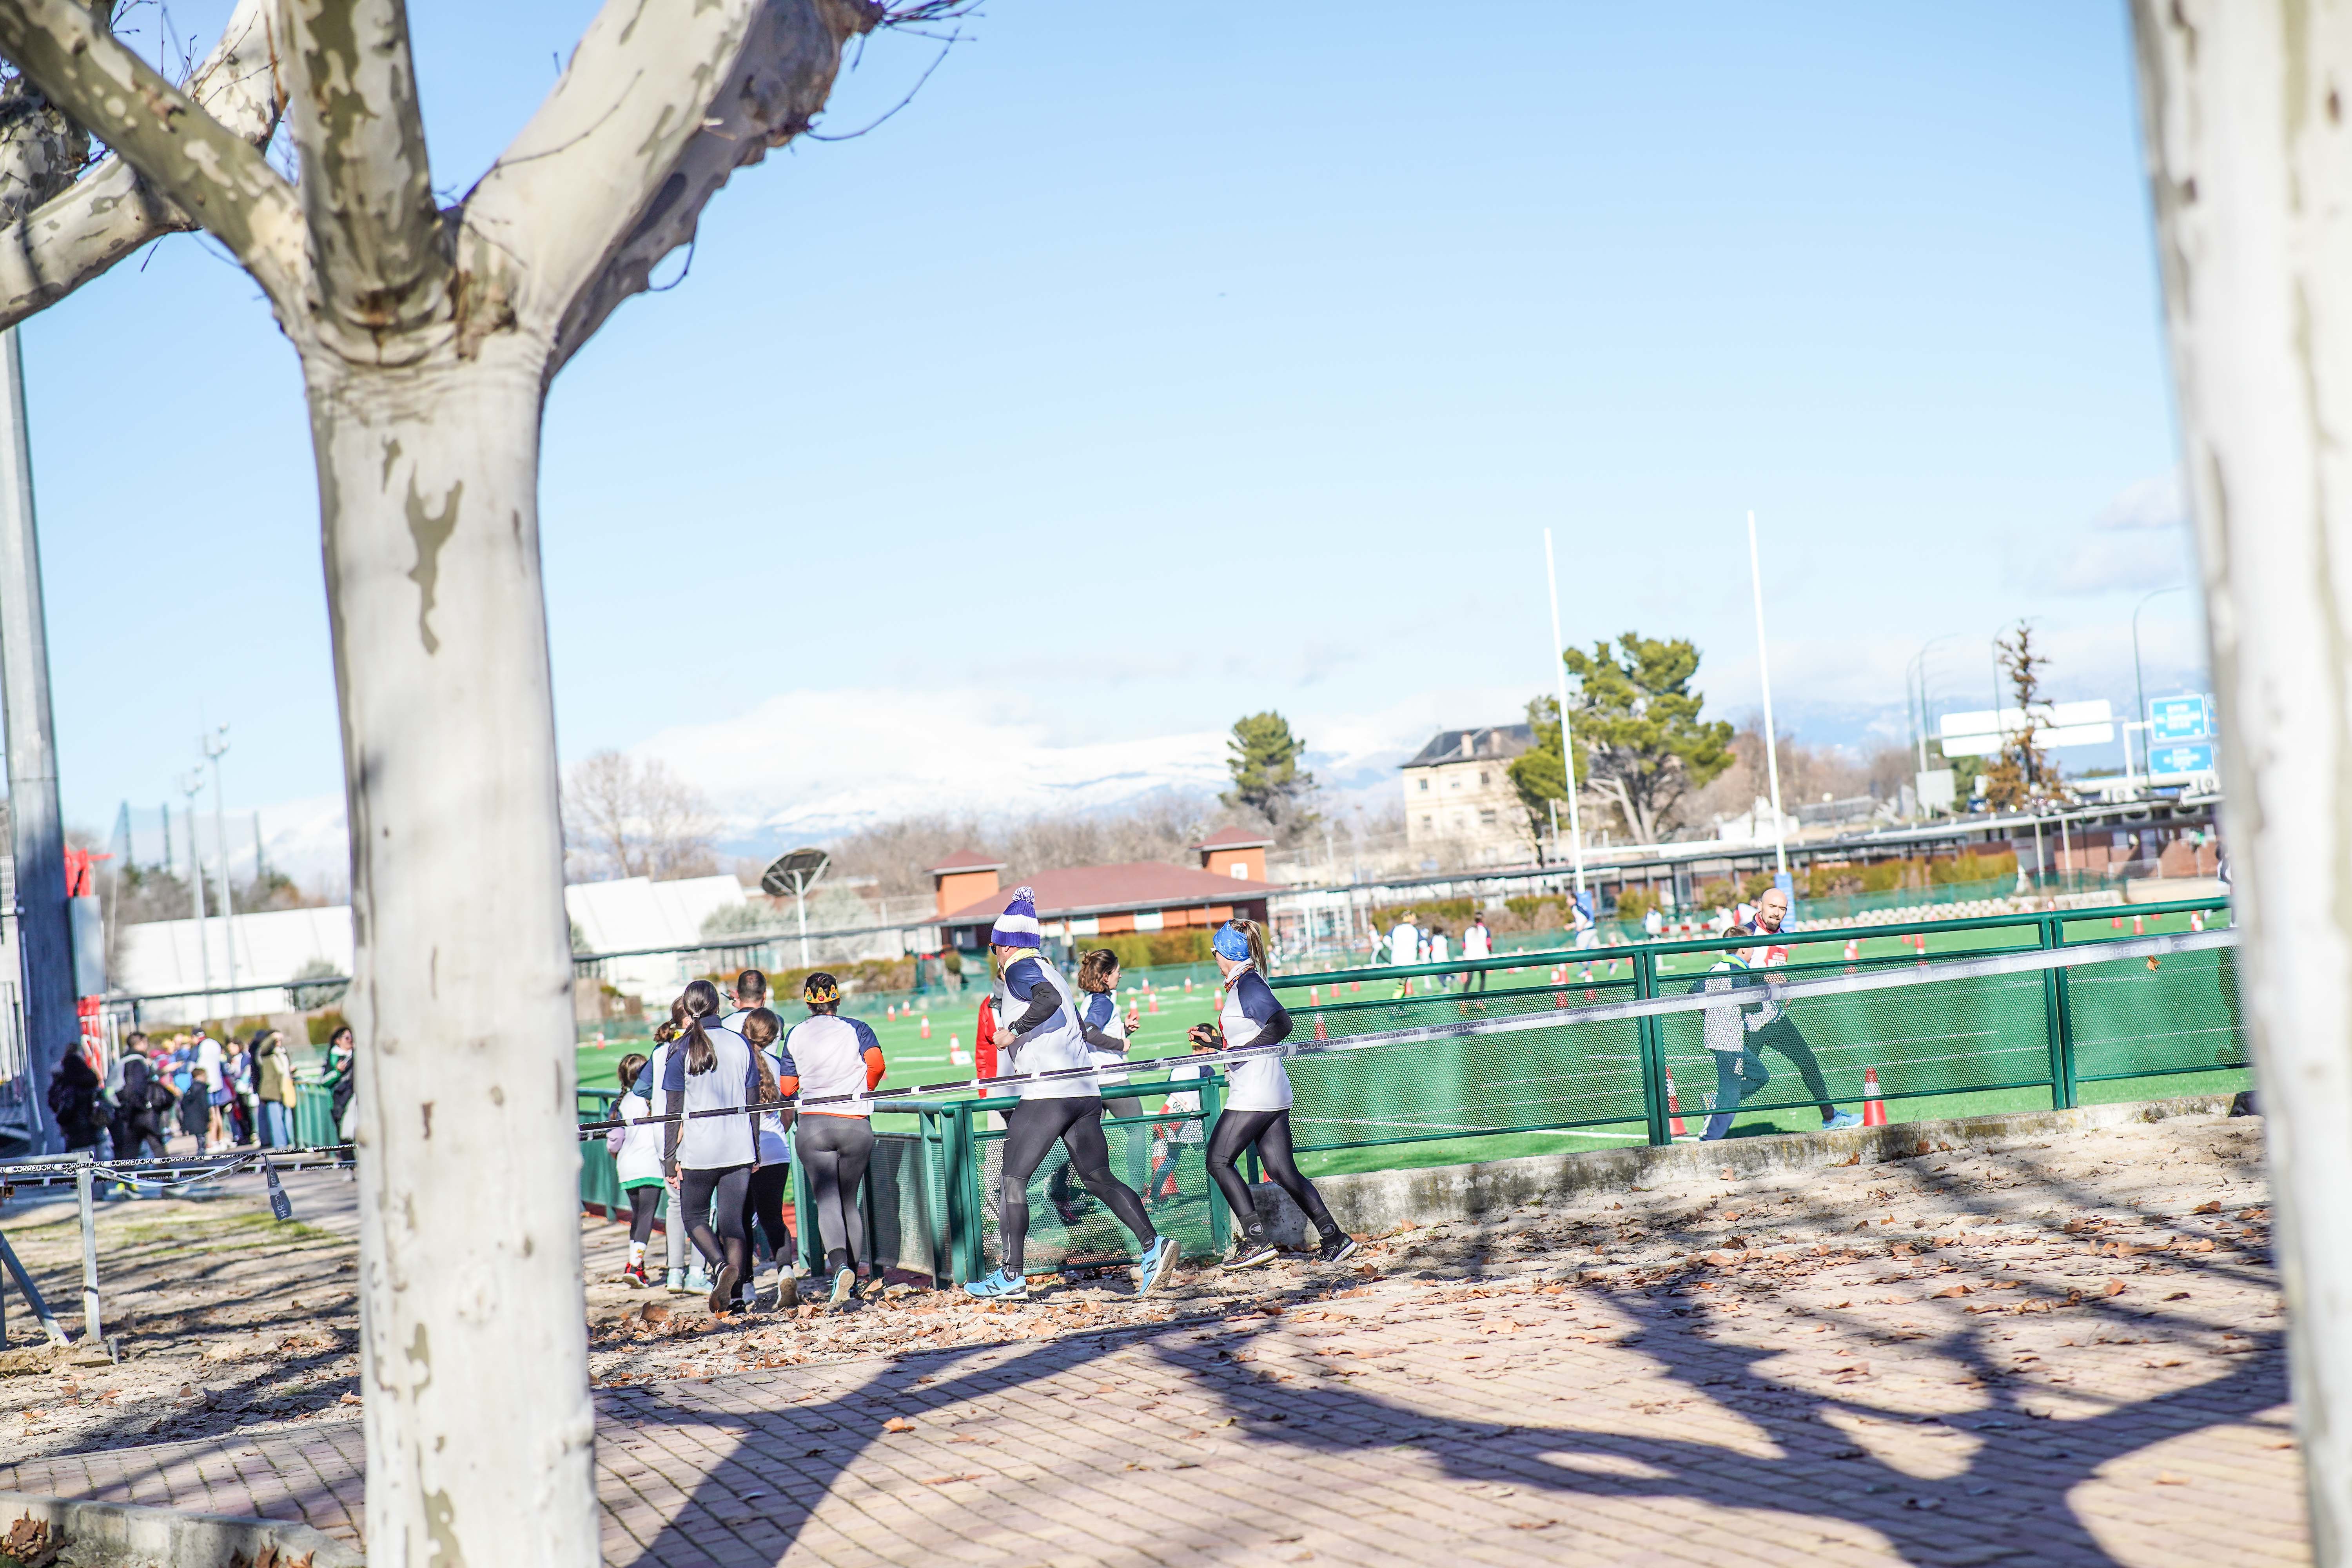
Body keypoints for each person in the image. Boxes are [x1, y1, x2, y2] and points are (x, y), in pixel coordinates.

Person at [964, 887, 1176, 1301]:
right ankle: (1153, 1246)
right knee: (1098, 1177)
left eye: (994, 947)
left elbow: (1045, 999)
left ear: (1006, 944)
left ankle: (1011, 1276)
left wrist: (1014, 1031)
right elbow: (1078, 1026)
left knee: (1012, 1180)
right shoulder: (1052, 970)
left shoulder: (1022, 969)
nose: (995, 955)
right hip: (1084, 1092)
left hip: (1049, 1092)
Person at [1195, 919, 1356, 1267]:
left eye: (1215, 951)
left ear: (1226, 953)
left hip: (1255, 1091)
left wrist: (1245, 1051)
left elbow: (1282, 1024)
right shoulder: (1244, 983)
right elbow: (1249, 1035)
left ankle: (1255, 1241)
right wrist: (1219, 1046)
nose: (1214, 958)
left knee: (1219, 1161)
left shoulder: (1248, 983)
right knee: (1282, 1170)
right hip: (1270, 1089)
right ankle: (1334, 1238)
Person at [779, 976, 885, 1310]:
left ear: (808, 1002)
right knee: (848, 1202)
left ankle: (839, 1268)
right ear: (837, 1000)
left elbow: (786, 1087)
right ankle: (852, 1281)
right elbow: (878, 1066)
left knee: (827, 1203)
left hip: (813, 1126)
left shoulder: (795, 1033)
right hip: (854, 1123)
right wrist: (860, 1091)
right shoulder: (858, 1028)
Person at [660, 979, 765, 1314]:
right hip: (739, 1147)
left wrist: (668, 1158)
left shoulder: (679, 1050)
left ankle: (720, 1268)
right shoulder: (740, 1044)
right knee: (734, 1223)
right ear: (718, 1006)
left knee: (693, 1217)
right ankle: (734, 1299)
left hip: (700, 1151)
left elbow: (671, 1111)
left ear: (688, 1009)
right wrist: (756, 1150)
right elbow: (754, 1105)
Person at [1742, 887, 1860, 1131]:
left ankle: (1830, 1118)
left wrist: (1781, 988)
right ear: (1761, 907)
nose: (1777, 913)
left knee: (1807, 1061)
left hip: (1775, 1018)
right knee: (1749, 1078)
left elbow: (1776, 972)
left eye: (1782, 909)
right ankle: (1714, 1106)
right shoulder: (1747, 934)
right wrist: (1765, 981)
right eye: (1772, 907)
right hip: (1750, 1022)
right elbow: (1736, 975)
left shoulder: (1782, 934)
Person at [1049, 948, 1148, 1214]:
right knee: (1138, 1130)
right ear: (1106, 976)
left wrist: (1123, 1029)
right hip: (1112, 1079)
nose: (1120, 976)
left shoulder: (1090, 1000)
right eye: (1116, 972)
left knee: (1085, 1142)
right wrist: (1122, 1043)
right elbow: (1091, 1033)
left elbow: (1091, 1032)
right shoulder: (1104, 1001)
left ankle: (1060, 1190)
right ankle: (1141, 1192)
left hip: (1091, 1081)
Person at [635, 1001, 703, 1295]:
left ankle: (675, 1272)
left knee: (676, 1205)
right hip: (689, 1135)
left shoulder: (660, 1052)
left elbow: (640, 1089)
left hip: (662, 1135)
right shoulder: (694, 1051)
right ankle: (698, 1272)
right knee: (702, 1207)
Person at [736, 1008, 795, 1305]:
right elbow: (789, 1110)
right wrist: (778, 1135)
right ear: (773, 1036)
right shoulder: (777, 1063)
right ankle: (786, 1273)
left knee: (743, 1221)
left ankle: (747, 1289)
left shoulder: (736, 1061)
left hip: (745, 1151)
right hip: (776, 1149)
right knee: (774, 1218)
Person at [606, 1053, 666, 1288]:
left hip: (627, 1166)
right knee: (646, 1217)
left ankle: (637, 1267)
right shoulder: (653, 1100)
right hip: (651, 1164)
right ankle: (634, 1265)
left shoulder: (619, 1104)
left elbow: (614, 1140)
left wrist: (617, 1155)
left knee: (637, 1216)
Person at [115, 1036, 168, 1161]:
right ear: (141, 1043)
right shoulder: (137, 1062)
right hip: (142, 1112)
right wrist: (145, 1106)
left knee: (130, 1151)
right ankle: (166, 1178)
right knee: (157, 1147)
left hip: (131, 1112)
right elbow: (136, 1087)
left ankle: (125, 1179)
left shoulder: (125, 1060)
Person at [47, 1049, 103, 1151]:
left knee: (77, 1163)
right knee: (96, 1163)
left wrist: (60, 1118)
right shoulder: (91, 1082)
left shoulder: (69, 1087)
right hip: (95, 1129)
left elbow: (66, 1110)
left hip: (75, 1132)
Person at [252, 1030, 299, 1148]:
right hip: (272, 1090)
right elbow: (264, 1047)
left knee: (287, 1117)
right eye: (276, 1041)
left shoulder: (282, 1053)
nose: (278, 1042)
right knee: (275, 1119)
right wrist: (273, 1037)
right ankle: (280, 1144)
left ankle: (291, 1141)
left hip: (285, 1088)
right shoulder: (266, 1054)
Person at [321, 1026, 358, 1143]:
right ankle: (348, 1161)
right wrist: (337, 1072)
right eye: (347, 1038)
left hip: (358, 1101)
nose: (350, 1040)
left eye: (352, 1037)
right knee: (345, 1139)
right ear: (338, 1041)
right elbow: (324, 1081)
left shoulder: (358, 1055)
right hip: (340, 1103)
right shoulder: (334, 1057)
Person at [178, 1065, 214, 1154]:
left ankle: (201, 1153)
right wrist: (209, 1118)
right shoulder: (202, 1088)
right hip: (200, 1117)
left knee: (200, 1137)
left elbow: (183, 1103)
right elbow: (204, 1104)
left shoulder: (190, 1089)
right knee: (202, 1137)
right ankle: (202, 1154)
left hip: (193, 1117)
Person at [1387, 911, 1420, 1000]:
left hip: (1397, 960)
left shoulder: (1396, 928)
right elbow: (1424, 944)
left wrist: (1393, 948)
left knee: (1403, 984)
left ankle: (1399, 1006)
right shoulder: (1414, 930)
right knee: (1401, 985)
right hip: (1408, 961)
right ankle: (1395, 1006)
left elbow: (1386, 940)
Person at [1461, 914, 1492, 997]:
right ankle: (1480, 999)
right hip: (1482, 957)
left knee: (1469, 980)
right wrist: (1490, 952)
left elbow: (1464, 945)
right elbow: (1489, 943)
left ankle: (1464, 1001)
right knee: (1483, 978)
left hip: (1470, 958)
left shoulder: (1468, 931)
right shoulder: (1485, 930)